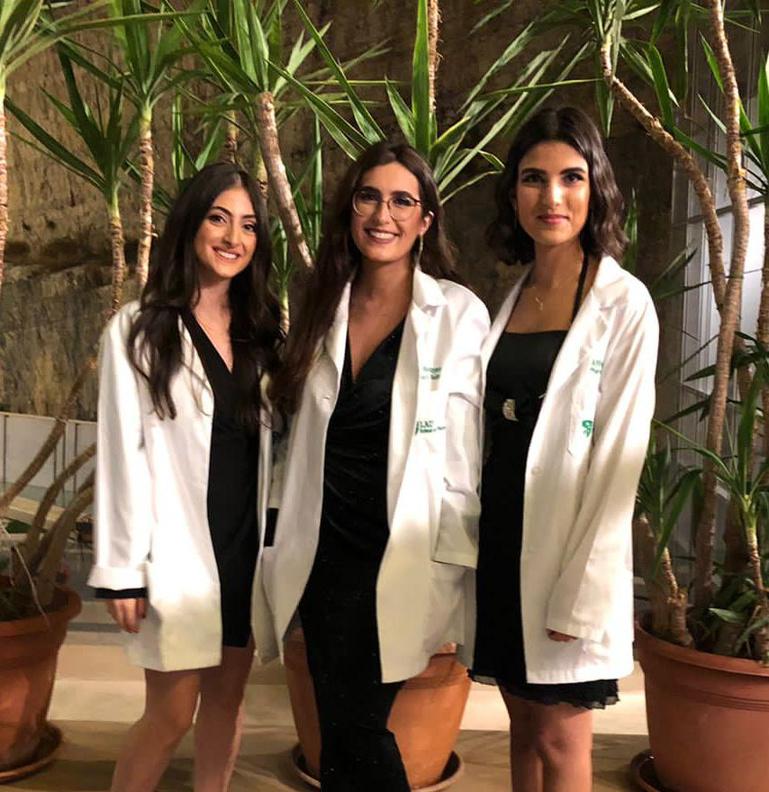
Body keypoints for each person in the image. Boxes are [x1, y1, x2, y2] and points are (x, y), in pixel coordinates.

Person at [264, 141, 489, 791]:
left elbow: (467, 454)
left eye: (401, 201)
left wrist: (456, 562)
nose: (382, 215)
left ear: (425, 220)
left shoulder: (455, 314)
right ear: (349, 209)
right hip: (322, 552)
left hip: (400, 552)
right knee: (338, 731)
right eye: (368, 197)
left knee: (359, 729)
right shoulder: (321, 305)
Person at [472, 106, 659, 792]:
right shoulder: (513, 295)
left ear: (595, 188)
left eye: (570, 177)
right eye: (533, 178)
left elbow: (618, 460)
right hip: (501, 538)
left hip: (565, 551)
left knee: (558, 739)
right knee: (521, 725)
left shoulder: (623, 304)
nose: (551, 197)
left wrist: (580, 593)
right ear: (512, 193)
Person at [88, 162, 282, 792]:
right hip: (175, 550)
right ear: (191, 225)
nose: (233, 238)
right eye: (218, 219)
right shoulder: (139, 329)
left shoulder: (263, 330)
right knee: (170, 715)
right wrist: (123, 569)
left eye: (248, 225)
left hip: (243, 548)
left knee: (226, 703)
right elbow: (122, 455)